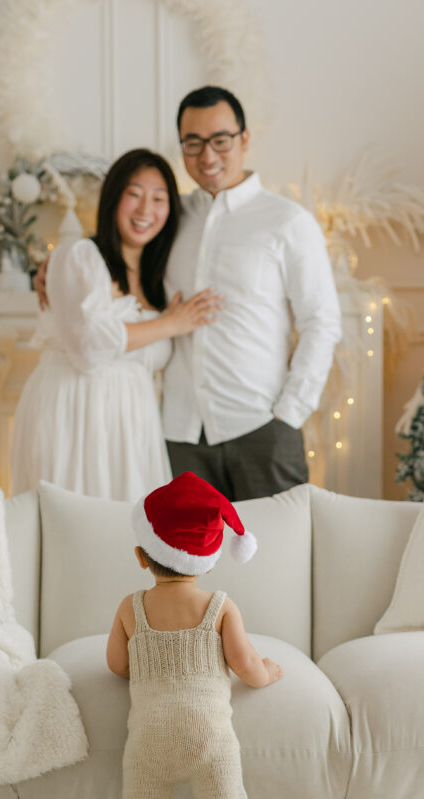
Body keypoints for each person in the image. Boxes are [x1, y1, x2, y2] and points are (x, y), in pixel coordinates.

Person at [104, 471, 284, 799]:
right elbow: (245, 666)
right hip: (210, 736)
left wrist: (149, 665)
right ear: (209, 559)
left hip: (148, 736)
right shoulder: (219, 607)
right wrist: (267, 671)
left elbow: (117, 664)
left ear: (142, 556)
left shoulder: (131, 607)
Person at [163, 85, 343, 501]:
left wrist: (288, 416)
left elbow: (322, 321)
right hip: (180, 434)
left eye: (220, 141)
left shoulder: (287, 222)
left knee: (279, 563)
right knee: (189, 565)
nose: (208, 156)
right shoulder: (169, 218)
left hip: (262, 429)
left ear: (244, 139)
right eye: (193, 143)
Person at [10, 149, 220, 500]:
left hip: (134, 423)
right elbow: (89, 347)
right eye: (134, 194)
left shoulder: (161, 278)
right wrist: (171, 324)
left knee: (130, 540)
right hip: (74, 410)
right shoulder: (80, 255)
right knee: (72, 528)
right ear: (112, 198)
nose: (145, 210)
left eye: (158, 198)